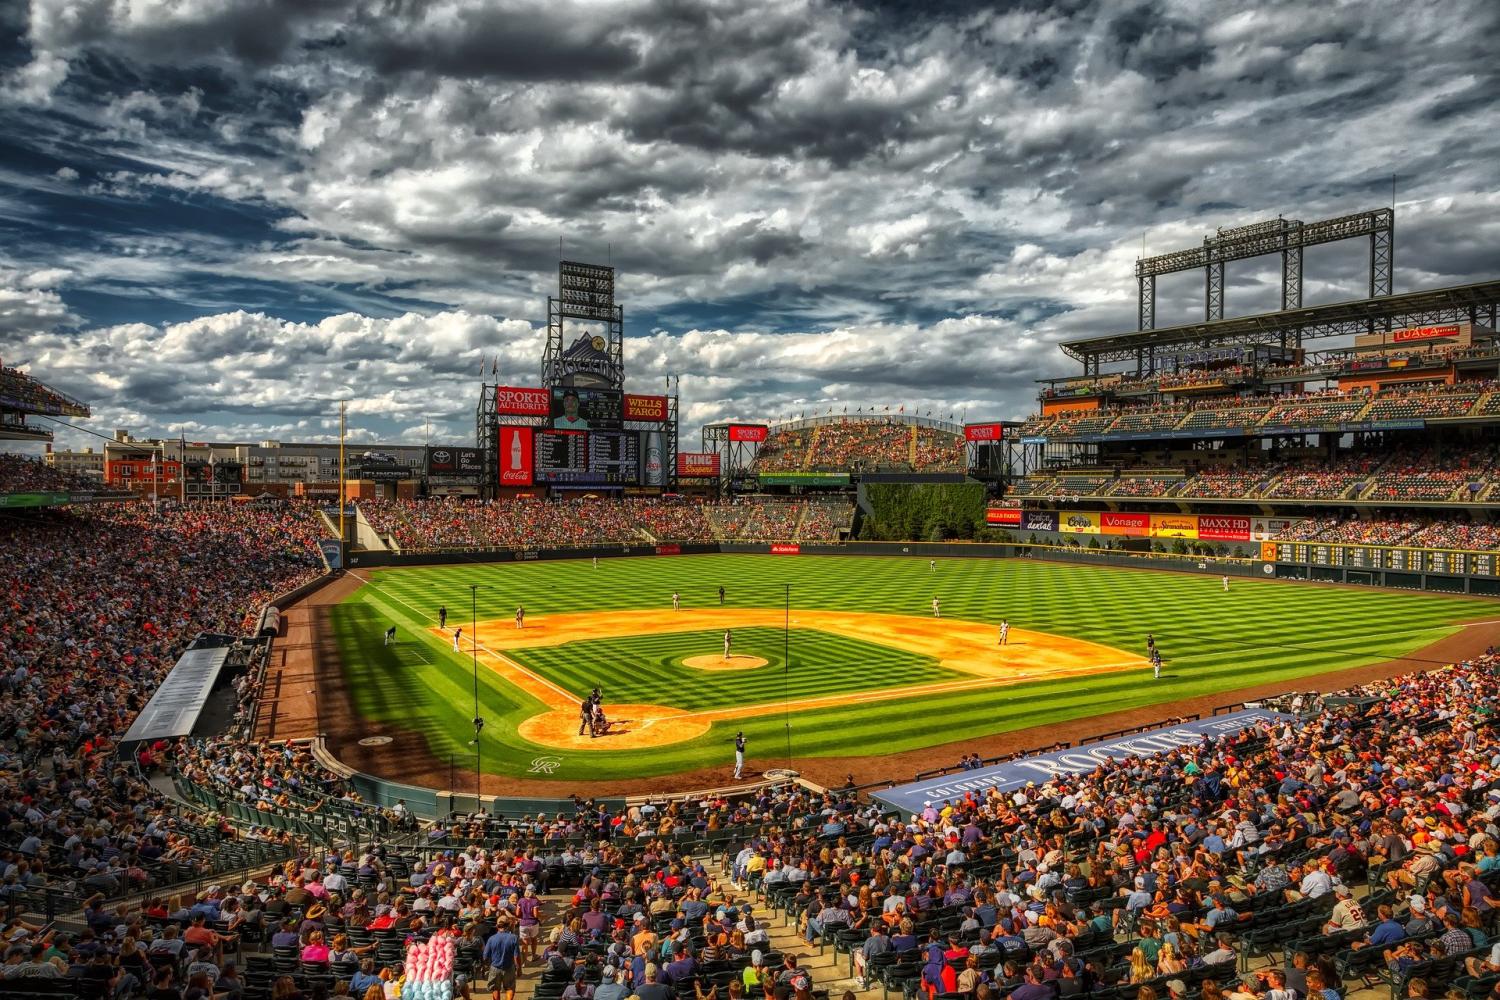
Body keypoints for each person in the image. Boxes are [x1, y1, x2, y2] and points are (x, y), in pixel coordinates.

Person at [485, 917, 520, 1000]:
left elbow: (485, 956)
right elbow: (517, 956)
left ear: (497, 927)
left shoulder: (491, 939)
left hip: (495, 967)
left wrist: (486, 967)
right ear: (508, 926)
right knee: (510, 988)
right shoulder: (513, 938)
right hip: (509, 967)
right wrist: (519, 968)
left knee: (495, 989)